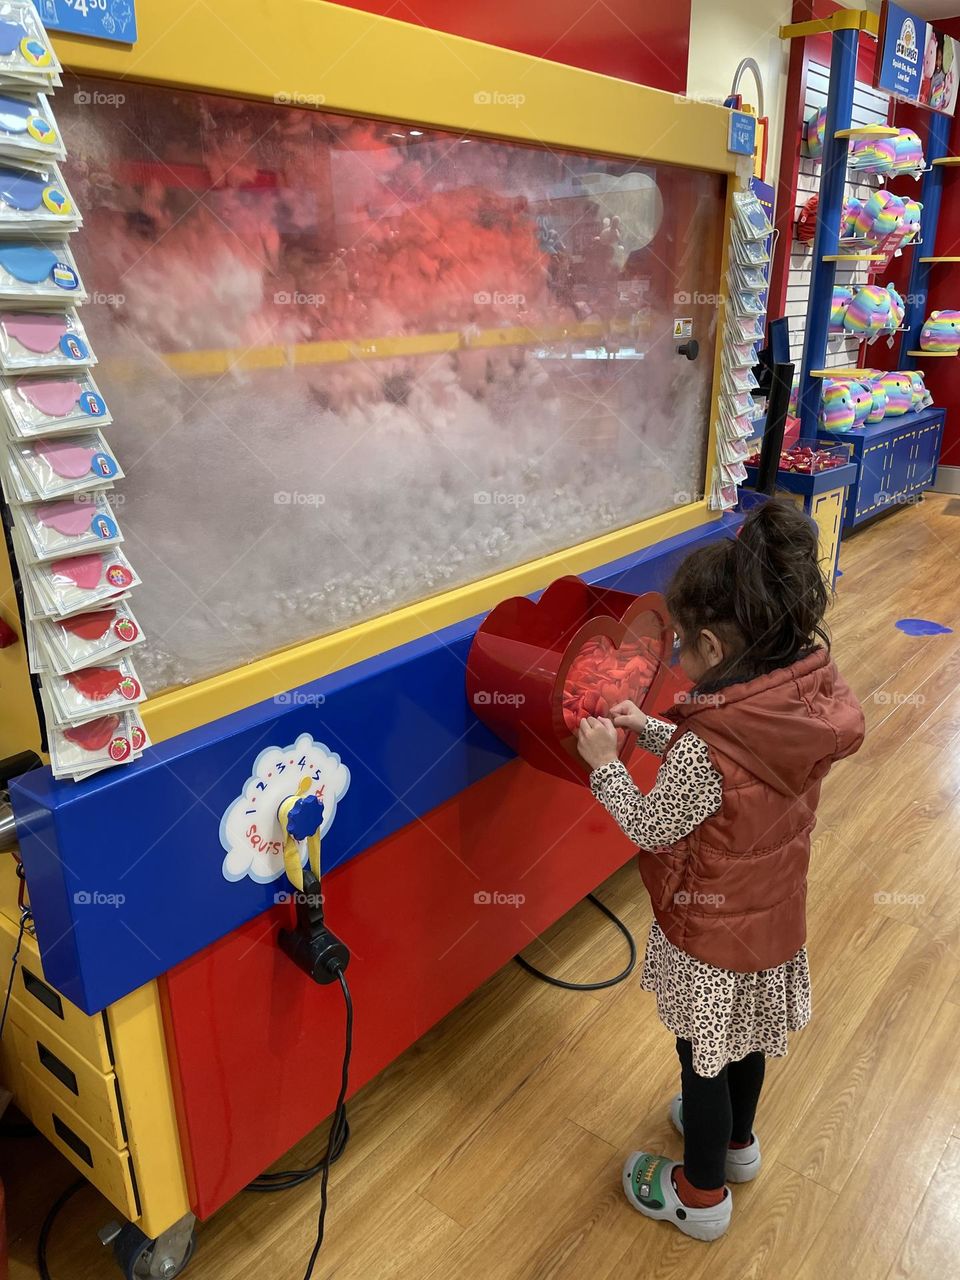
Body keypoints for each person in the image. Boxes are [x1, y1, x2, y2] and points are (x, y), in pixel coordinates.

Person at [577, 499, 864, 1241]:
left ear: (710, 645)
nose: (674, 663)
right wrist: (656, 730)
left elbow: (652, 822)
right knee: (744, 1042)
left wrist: (609, 763)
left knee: (700, 1059)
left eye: (682, 651)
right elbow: (738, 779)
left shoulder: (711, 749)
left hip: (711, 938)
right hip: (770, 923)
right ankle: (737, 1145)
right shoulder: (793, 710)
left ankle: (699, 1197)